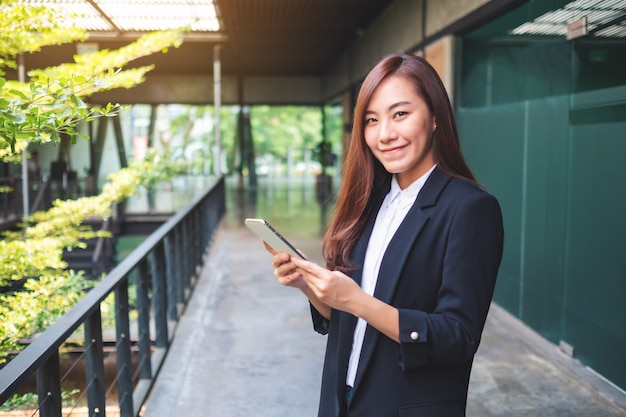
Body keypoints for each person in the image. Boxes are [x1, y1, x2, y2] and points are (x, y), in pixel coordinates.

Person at [265, 53, 504, 417]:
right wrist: (307, 285)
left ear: (436, 117)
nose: (385, 134)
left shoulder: (470, 209)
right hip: (341, 400)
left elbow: (458, 337)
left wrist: (356, 300)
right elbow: (345, 316)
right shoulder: (369, 202)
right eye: (372, 120)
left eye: (401, 114)